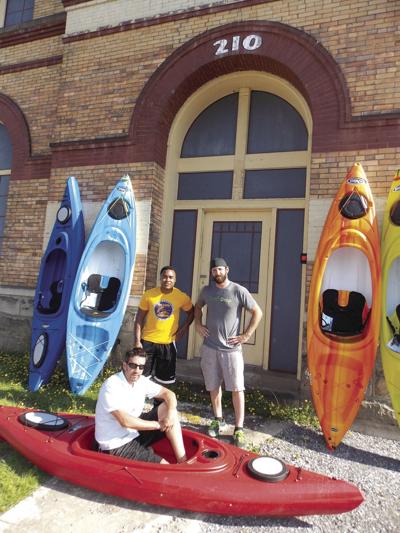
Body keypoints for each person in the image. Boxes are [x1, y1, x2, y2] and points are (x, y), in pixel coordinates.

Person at [195, 257, 263, 446]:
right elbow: (198, 307)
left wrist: (246, 335)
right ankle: (218, 419)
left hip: (231, 350)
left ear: (227, 269)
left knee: (236, 388)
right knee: (213, 385)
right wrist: (198, 324)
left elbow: (258, 312)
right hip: (210, 347)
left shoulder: (238, 291)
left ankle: (239, 428)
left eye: (220, 269)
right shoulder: (206, 291)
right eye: (214, 270)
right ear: (211, 272)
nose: (217, 273)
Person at [95, 348, 187, 464]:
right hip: (116, 444)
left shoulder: (141, 381)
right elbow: (125, 421)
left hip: (133, 433)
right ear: (125, 365)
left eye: (141, 367)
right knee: (165, 466)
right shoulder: (112, 385)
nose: (137, 370)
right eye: (133, 365)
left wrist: (170, 415)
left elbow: (169, 394)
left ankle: (183, 461)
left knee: (167, 408)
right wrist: (158, 425)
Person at [134, 266, 194, 385]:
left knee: (164, 380)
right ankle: (139, 402)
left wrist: (182, 330)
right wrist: (137, 341)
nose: (167, 280)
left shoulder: (181, 296)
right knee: (140, 377)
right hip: (147, 342)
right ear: (160, 278)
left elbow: (192, 313)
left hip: (168, 343)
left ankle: (159, 404)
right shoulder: (149, 295)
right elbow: (139, 318)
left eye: (171, 277)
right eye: (165, 277)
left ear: (175, 280)